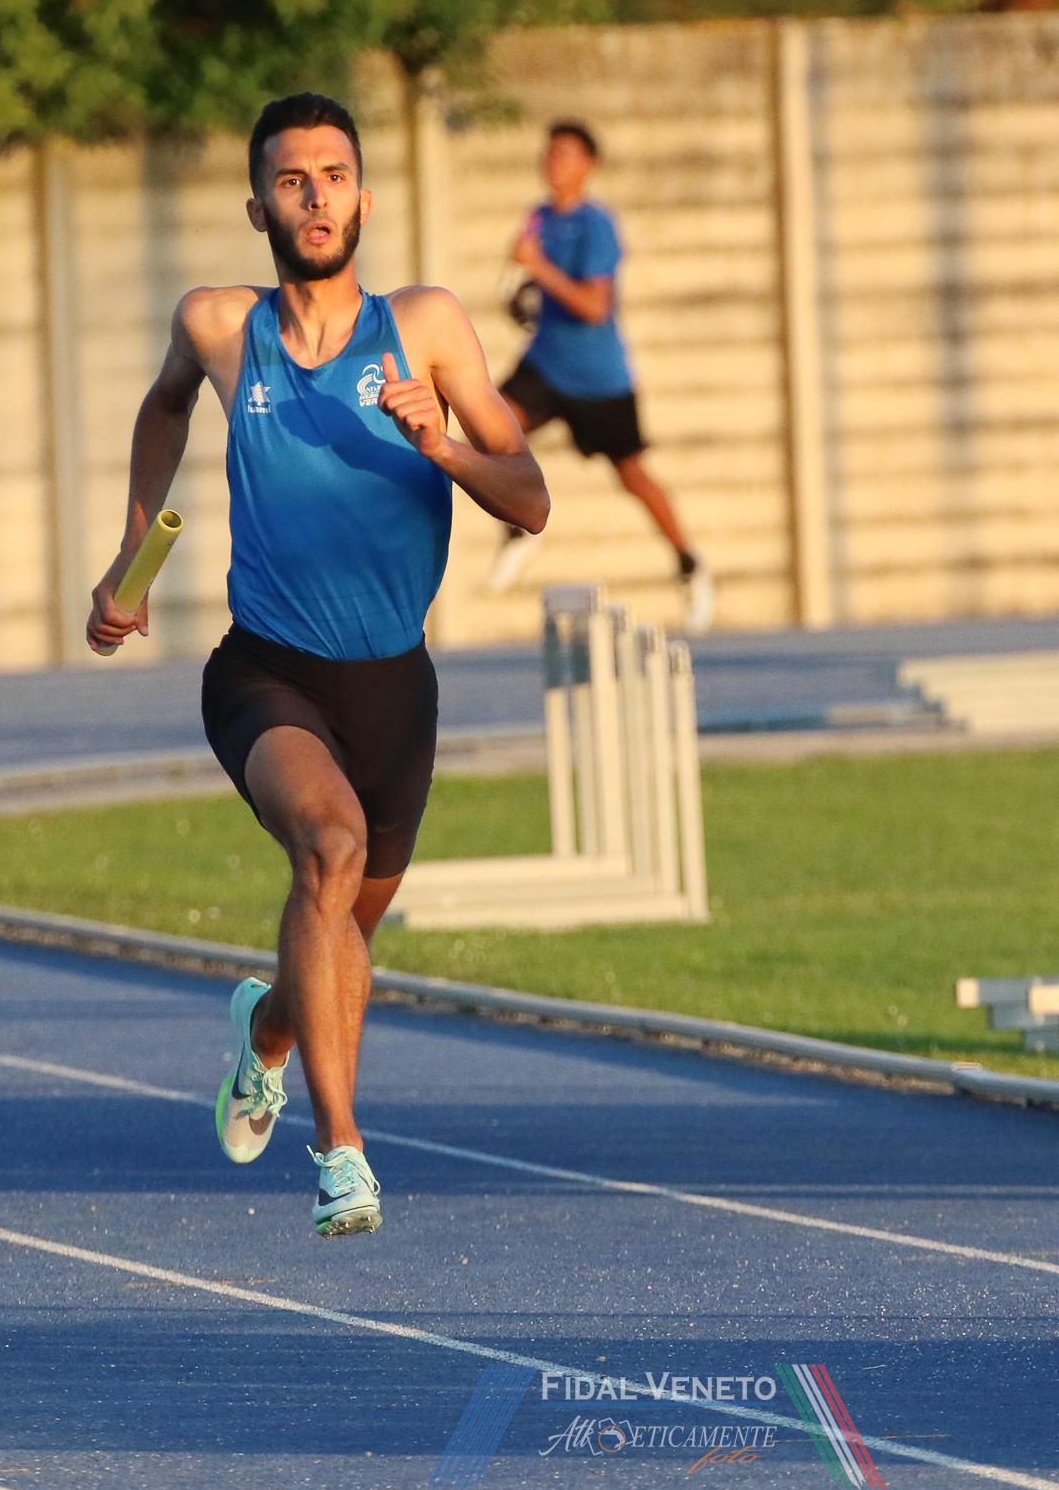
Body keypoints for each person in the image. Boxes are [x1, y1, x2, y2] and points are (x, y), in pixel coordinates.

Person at [87, 93, 547, 1239]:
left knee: (343, 930)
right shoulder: (218, 324)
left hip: (395, 687)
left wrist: (439, 442)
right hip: (266, 670)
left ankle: (266, 1034)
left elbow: (532, 498)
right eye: (292, 180)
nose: (316, 196)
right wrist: (133, 557)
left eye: (334, 175)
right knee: (329, 849)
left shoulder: (426, 326)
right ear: (260, 208)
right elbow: (162, 409)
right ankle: (342, 1151)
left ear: (364, 198)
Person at [481, 120, 712, 632]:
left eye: (564, 154)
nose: (552, 162)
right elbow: (522, 289)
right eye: (548, 153)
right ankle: (521, 531)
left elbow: (593, 306)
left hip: (599, 378)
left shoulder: (596, 225)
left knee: (633, 475)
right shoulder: (537, 217)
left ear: (588, 165)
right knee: (489, 423)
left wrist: (538, 267)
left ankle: (689, 564)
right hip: (545, 363)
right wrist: (519, 293)